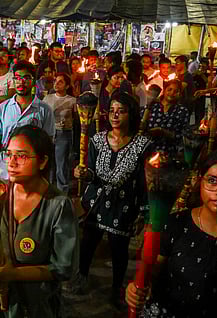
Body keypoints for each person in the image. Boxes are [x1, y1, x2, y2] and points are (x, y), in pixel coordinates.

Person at [126, 149, 217, 318]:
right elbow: (151, 272)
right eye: (212, 181)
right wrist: (136, 289)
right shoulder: (175, 223)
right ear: (199, 182)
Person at [0, 125, 79, 318]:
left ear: (42, 161)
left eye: (21, 156)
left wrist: (12, 274)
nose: (12, 162)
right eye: (9, 154)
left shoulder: (57, 206)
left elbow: (62, 267)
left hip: (33, 300)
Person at [70, 90, 150, 309]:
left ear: (131, 114)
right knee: (88, 243)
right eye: (112, 111)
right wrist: (83, 174)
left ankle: (116, 289)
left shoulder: (142, 145)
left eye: (121, 111)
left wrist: (144, 212)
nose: (115, 116)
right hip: (97, 201)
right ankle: (82, 278)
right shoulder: (97, 140)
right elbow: (93, 173)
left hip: (124, 204)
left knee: (119, 249)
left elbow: (144, 181)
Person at [0, 61, 55, 180]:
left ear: (33, 81)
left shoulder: (44, 110)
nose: (21, 82)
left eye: (26, 78)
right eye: (17, 78)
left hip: (31, 168)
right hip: (6, 166)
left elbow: (48, 142)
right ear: (13, 81)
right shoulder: (3, 108)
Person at [43, 73, 76, 193]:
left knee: (62, 165)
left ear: (67, 86)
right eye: (55, 81)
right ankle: (49, 190)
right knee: (49, 163)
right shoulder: (47, 98)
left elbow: (77, 119)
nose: (56, 84)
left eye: (60, 82)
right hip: (49, 133)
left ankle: (62, 192)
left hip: (64, 133)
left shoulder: (72, 101)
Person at [141, 79, 190, 158]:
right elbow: (140, 127)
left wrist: (162, 131)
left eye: (176, 91)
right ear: (164, 91)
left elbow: (183, 136)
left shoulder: (182, 111)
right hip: (148, 151)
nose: (172, 93)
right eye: (169, 90)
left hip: (170, 153)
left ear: (180, 94)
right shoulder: (151, 106)